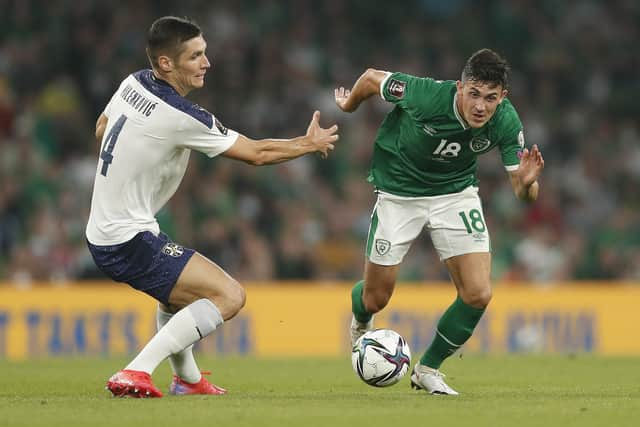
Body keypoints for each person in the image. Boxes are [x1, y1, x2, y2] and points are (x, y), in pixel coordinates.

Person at [86, 16, 338, 398]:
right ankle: (135, 371)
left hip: (105, 229)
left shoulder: (133, 82)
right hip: (126, 237)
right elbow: (256, 153)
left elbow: (103, 128)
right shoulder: (180, 115)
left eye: (205, 53)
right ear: (167, 64)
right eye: (196, 56)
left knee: (177, 295)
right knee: (229, 296)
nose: (207, 63)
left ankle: (187, 380)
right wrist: (306, 143)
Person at [335, 49, 544, 395]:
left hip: (455, 194)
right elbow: (372, 78)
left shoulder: (506, 121)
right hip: (399, 193)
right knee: (375, 298)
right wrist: (349, 106)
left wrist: (526, 184)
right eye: (474, 94)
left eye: (490, 98)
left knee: (478, 293)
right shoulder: (427, 95)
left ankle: (428, 368)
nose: (481, 106)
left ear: (502, 97)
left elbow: (524, 196)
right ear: (460, 87)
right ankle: (360, 320)